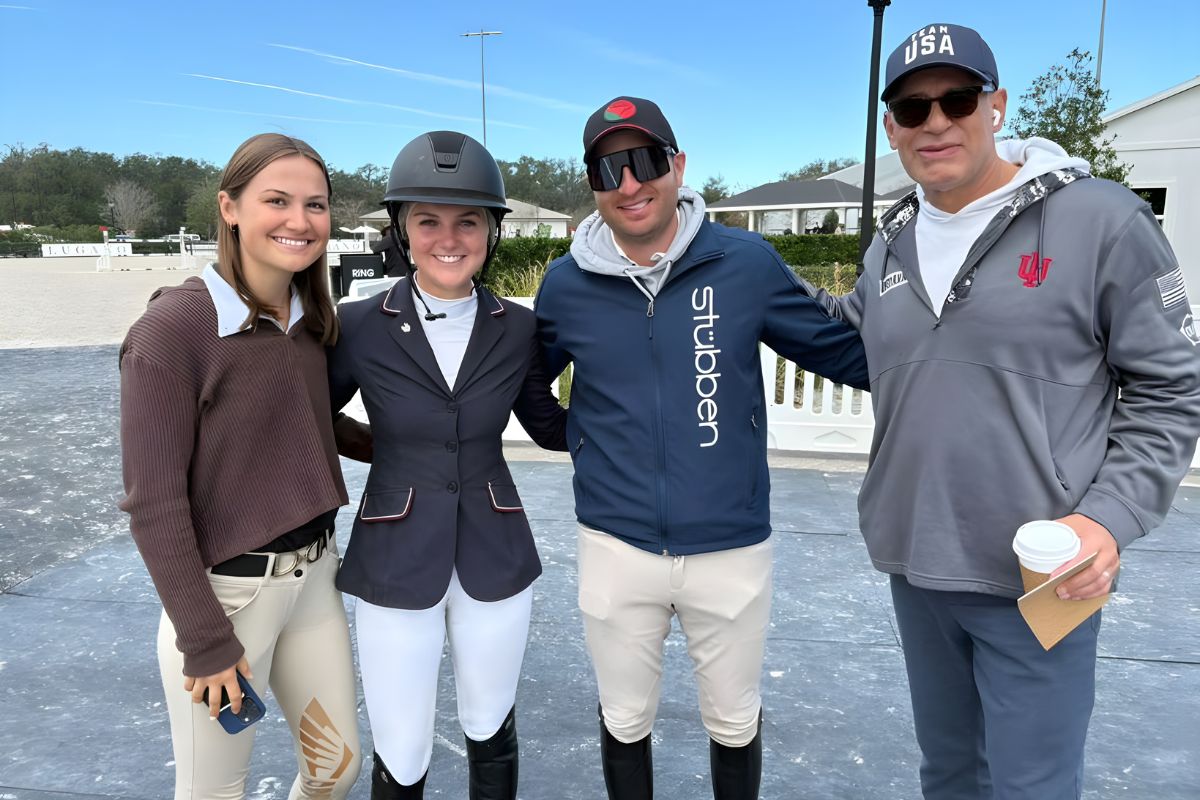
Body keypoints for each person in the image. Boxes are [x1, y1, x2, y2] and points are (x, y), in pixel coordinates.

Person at [817, 23, 1200, 799]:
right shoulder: (890, 242)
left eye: (957, 99)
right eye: (912, 108)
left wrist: (1108, 519)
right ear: (891, 127)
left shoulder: (1101, 219)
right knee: (951, 774)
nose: (936, 122)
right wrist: (736, 271)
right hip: (917, 564)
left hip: (1038, 573)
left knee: (1032, 785)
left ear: (996, 105)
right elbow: (863, 344)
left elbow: (1171, 386)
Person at [534, 97, 869, 799]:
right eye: (609, 166)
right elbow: (528, 380)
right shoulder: (566, 285)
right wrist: (577, 440)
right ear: (592, 181)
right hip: (616, 547)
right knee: (624, 719)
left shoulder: (744, 262)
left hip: (732, 547)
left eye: (646, 160)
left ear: (678, 165)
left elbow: (848, 354)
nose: (629, 183)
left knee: (733, 719)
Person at [119, 133, 362, 799]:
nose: (299, 220)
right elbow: (154, 503)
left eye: (315, 205)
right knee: (215, 794)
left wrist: (426, 440)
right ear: (229, 208)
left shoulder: (309, 318)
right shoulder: (172, 333)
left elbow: (312, 425)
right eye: (276, 200)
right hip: (227, 602)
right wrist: (206, 641)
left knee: (335, 771)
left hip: (313, 581)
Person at [327, 130, 568, 799]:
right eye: (428, 221)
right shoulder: (359, 323)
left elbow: (548, 426)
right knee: (401, 746)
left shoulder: (518, 329)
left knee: (490, 723)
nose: (449, 237)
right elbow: (313, 414)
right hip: (394, 553)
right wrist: (380, 451)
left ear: (492, 231)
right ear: (404, 231)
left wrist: (642, 423)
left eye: (468, 221)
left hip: (495, 551)